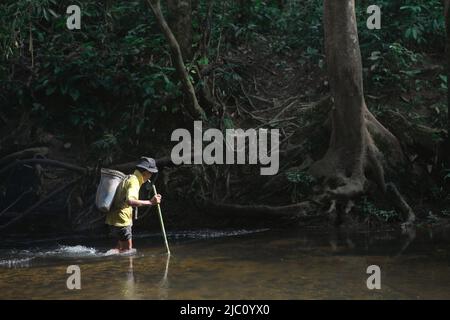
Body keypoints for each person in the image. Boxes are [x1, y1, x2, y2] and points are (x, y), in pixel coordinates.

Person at [106, 157, 162, 252]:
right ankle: (125, 266)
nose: (151, 176)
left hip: (113, 219)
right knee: (128, 251)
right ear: (146, 172)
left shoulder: (129, 177)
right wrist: (150, 202)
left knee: (120, 249)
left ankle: (108, 260)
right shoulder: (134, 181)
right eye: (151, 173)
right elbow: (130, 201)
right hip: (122, 220)